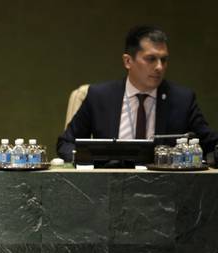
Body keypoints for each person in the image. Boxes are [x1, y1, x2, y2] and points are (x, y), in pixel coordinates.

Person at [57, 25, 218, 161]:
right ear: (128, 61)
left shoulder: (182, 99)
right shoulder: (99, 96)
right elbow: (65, 143)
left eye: (164, 59)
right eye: (151, 59)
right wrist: (90, 160)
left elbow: (210, 142)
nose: (159, 67)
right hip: (108, 183)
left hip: (164, 188)